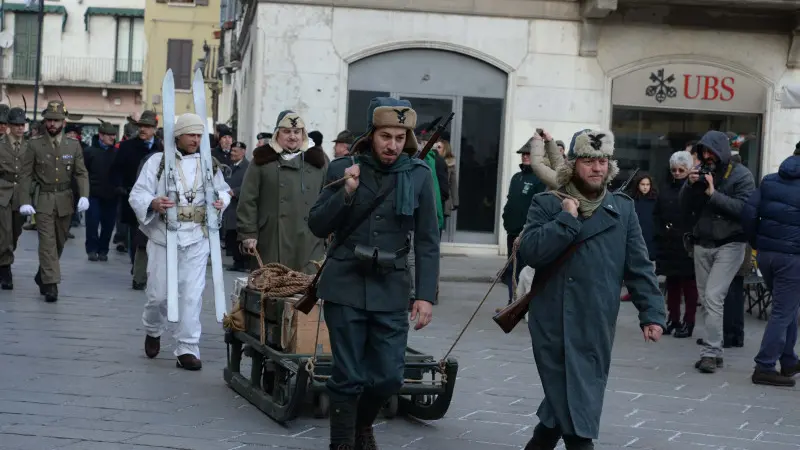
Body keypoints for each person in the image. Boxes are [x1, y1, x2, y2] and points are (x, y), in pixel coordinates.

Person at [518, 129, 665, 450]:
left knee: (567, 400)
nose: (597, 167)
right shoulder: (546, 203)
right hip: (552, 320)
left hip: (595, 321)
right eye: (589, 161)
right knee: (576, 402)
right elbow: (530, 252)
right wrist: (565, 220)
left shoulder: (622, 209)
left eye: (603, 160)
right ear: (573, 164)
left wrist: (652, 313)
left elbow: (639, 267)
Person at [308, 97, 440, 450]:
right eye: (386, 136)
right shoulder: (342, 168)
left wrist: (425, 295)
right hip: (345, 283)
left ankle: (363, 424)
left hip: (391, 286)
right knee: (347, 375)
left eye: (400, 137)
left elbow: (428, 240)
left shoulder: (419, 175)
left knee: (388, 378)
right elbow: (318, 225)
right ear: (371, 134)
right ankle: (342, 443)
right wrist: (346, 192)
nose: (392, 145)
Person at [128, 113, 231, 371]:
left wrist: (221, 201)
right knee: (158, 295)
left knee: (191, 296)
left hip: (197, 237)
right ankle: (153, 329)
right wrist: (153, 202)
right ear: (178, 135)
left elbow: (223, 189)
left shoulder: (209, 163)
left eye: (199, 135)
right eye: (191, 135)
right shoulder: (158, 162)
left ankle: (187, 347)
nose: (196, 140)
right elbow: (138, 193)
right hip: (164, 236)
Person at [680, 130, 755, 374]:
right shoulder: (702, 171)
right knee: (707, 300)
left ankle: (711, 352)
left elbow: (744, 209)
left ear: (722, 151)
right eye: (704, 152)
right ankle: (716, 350)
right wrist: (690, 186)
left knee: (713, 297)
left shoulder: (742, 175)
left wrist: (713, 194)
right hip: (702, 243)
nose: (708, 156)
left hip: (730, 244)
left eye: (712, 151)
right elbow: (684, 207)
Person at [237, 111, 328, 274]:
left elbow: (328, 199)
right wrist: (248, 232)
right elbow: (248, 199)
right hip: (270, 239)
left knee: (305, 292)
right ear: (277, 133)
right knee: (270, 290)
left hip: (309, 241)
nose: (292, 137)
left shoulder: (318, 162)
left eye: (297, 132)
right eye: (287, 131)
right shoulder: (262, 160)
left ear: (303, 134)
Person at [18, 100, 89, 303]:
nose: (52, 124)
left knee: (58, 242)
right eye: (49, 120)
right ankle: (51, 285)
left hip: (65, 199)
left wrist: (84, 195)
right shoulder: (34, 144)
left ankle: (43, 275)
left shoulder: (73, 145)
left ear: (63, 122)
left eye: (56, 121)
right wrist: (25, 200)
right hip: (44, 199)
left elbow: (81, 173)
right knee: (47, 244)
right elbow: (25, 175)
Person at [741, 142, 800, 387]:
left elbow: (748, 213)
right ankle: (765, 365)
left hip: (766, 254)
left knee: (788, 308)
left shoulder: (771, 180)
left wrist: (758, 243)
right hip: (792, 257)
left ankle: (788, 360)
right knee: (782, 312)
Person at [111, 111, 162, 290]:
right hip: (132, 196)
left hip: (156, 199)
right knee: (136, 235)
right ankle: (137, 267)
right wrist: (119, 186)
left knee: (152, 235)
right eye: (141, 126)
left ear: (154, 129)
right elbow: (116, 169)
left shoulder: (161, 148)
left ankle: (146, 270)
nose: (143, 130)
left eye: (147, 127)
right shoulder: (127, 146)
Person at [654, 151, 698, 338]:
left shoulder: (695, 188)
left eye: (681, 170)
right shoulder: (666, 188)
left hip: (687, 242)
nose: (677, 173)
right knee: (671, 283)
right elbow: (657, 213)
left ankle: (689, 322)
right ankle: (673, 319)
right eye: (674, 170)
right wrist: (661, 232)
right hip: (669, 241)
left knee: (689, 284)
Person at [501, 135, 545, 306]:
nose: (525, 156)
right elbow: (510, 201)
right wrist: (506, 218)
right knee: (512, 269)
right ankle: (512, 302)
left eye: (529, 154)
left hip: (528, 233)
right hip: (512, 231)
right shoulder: (516, 178)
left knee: (526, 271)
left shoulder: (539, 179)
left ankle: (525, 303)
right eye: (523, 154)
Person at [0, 107, 30, 289]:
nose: (20, 128)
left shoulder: (30, 146)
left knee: (16, 232)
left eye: (22, 125)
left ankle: (4, 258)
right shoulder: (1, 144)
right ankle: (5, 270)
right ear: (9, 125)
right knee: (4, 233)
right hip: (2, 192)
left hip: (22, 195)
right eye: (16, 125)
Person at [83, 120, 119, 261]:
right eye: (109, 135)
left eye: (113, 135)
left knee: (108, 225)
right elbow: (83, 172)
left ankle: (103, 250)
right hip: (94, 195)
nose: (112, 138)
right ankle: (91, 249)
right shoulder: (89, 152)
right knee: (92, 223)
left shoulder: (117, 152)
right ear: (101, 135)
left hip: (111, 194)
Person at [222, 141, 249, 272]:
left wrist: (235, 191)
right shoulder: (230, 167)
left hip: (239, 206)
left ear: (243, 152)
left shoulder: (248, 167)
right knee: (232, 235)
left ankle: (242, 263)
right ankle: (236, 261)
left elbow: (249, 186)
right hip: (229, 206)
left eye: (235, 151)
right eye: (232, 151)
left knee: (239, 235)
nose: (232, 153)